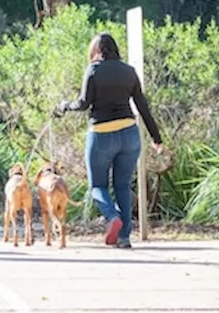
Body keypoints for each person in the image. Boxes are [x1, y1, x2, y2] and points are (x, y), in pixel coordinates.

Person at [55, 32, 163, 249]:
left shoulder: (94, 70)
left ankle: (112, 217)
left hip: (102, 134)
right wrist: (156, 138)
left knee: (97, 186)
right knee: (122, 185)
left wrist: (64, 106)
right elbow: (143, 106)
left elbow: (84, 103)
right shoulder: (129, 72)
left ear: (97, 50)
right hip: (129, 134)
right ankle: (124, 237)